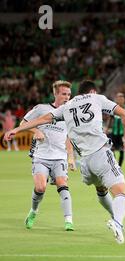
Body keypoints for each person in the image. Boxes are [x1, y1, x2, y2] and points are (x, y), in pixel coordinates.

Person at [5, 80, 125, 244]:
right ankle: (117, 222)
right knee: (121, 192)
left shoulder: (66, 107)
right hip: (101, 153)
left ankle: (114, 217)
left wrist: (15, 130)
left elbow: (43, 119)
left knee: (101, 190)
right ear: (92, 92)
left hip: (85, 163)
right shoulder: (96, 99)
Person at [21, 81, 76, 231]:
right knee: (40, 187)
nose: (67, 97)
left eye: (69, 94)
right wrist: (36, 131)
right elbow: (23, 123)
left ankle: (68, 221)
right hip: (41, 156)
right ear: (55, 94)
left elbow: (68, 137)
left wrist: (71, 157)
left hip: (60, 157)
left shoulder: (69, 113)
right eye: (64, 94)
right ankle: (33, 211)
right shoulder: (41, 109)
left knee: (63, 185)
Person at [106, 92, 125, 167]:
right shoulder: (113, 108)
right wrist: (107, 128)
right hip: (114, 132)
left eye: (122, 97)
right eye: (118, 98)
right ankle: (115, 164)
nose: (120, 99)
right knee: (112, 149)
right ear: (116, 99)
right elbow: (110, 119)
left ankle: (119, 166)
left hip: (122, 133)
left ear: (124, 99)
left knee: (121, 150)